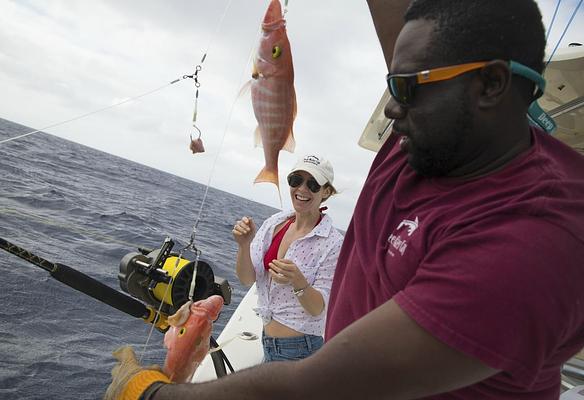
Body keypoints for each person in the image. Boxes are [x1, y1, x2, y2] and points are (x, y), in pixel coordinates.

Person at [104, 1, 584, 399]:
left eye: (408, 87)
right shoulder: (432, 136)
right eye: (393, 83)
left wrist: (146, 393)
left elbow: (319, 386)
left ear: (490, 85)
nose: (392, 108)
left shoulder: (535, 243)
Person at [231, 154, 343, 362]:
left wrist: (298, 281)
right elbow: (247, 279)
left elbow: (318, 309)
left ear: (326, 192)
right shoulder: (276, 222)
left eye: (312, 184)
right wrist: (244, 245)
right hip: (267, 341)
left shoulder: (334, 243)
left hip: (300, 351)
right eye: (296, 180)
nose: (302, 189)